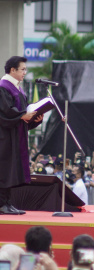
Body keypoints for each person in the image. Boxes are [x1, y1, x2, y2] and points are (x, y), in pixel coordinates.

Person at [0, 56, 43, 215]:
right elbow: (4, 113)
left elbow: (21, 115)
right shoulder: (3, 87)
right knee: (4, 170)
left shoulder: (17, 88)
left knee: (10, 170)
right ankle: (1, 204)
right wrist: (21, 116)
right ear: (12, 70)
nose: (25, 72)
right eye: (23, 69)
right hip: (4, 137)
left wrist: (34, 119)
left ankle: (7, 203)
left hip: (15, 136)